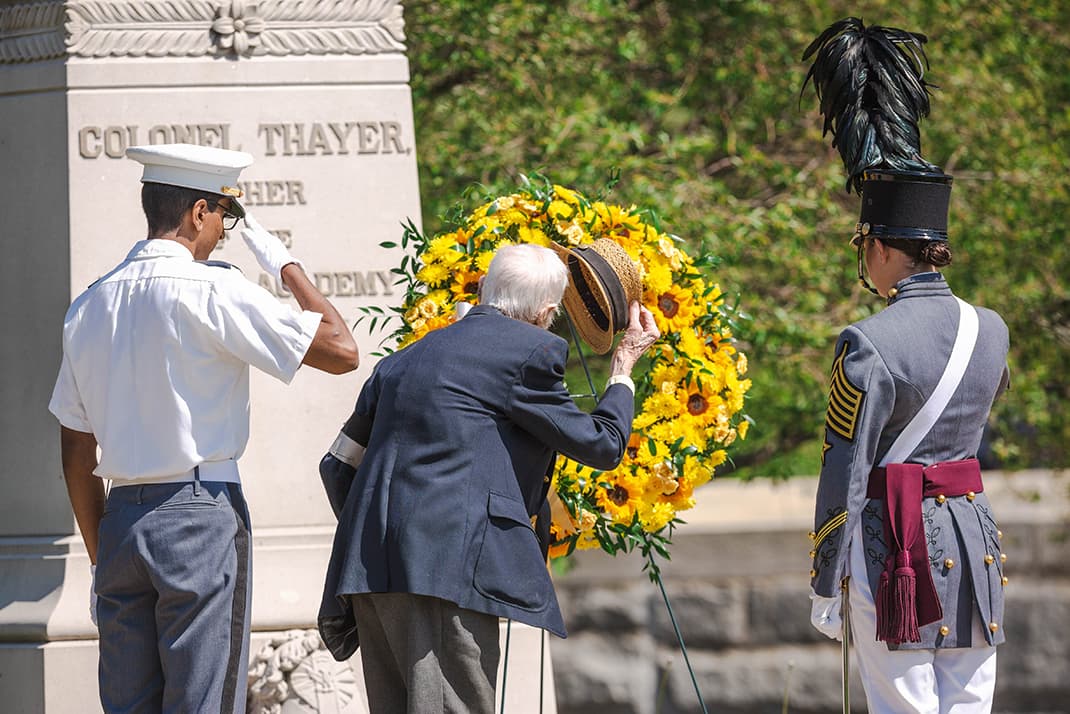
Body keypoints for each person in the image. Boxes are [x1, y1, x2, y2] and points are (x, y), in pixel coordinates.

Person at [48, 143, 360, 713]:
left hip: (119, 524)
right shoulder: (213, 288)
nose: (223, 231)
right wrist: (287, 268)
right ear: (198, 213)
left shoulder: (88, 305)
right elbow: (341, 350)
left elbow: (74, 450)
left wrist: (102, 558)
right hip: (198, 513)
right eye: (225, 216)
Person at [316, 242, 660, 713]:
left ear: (483, 289)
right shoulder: (528, 351)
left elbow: (338, 465)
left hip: (369, 570)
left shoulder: (400, 361)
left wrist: (387, 535)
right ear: (546, 313)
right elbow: (601, 444)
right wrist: (623, 369)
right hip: (440, 572)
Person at [802, 18, 1011, 713]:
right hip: (971, 537)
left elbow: (847, 466)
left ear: (883, 248)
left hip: (893, 546)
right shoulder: (994, 329)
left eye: (864, 243)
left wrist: (826, 576)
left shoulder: (867, 341)